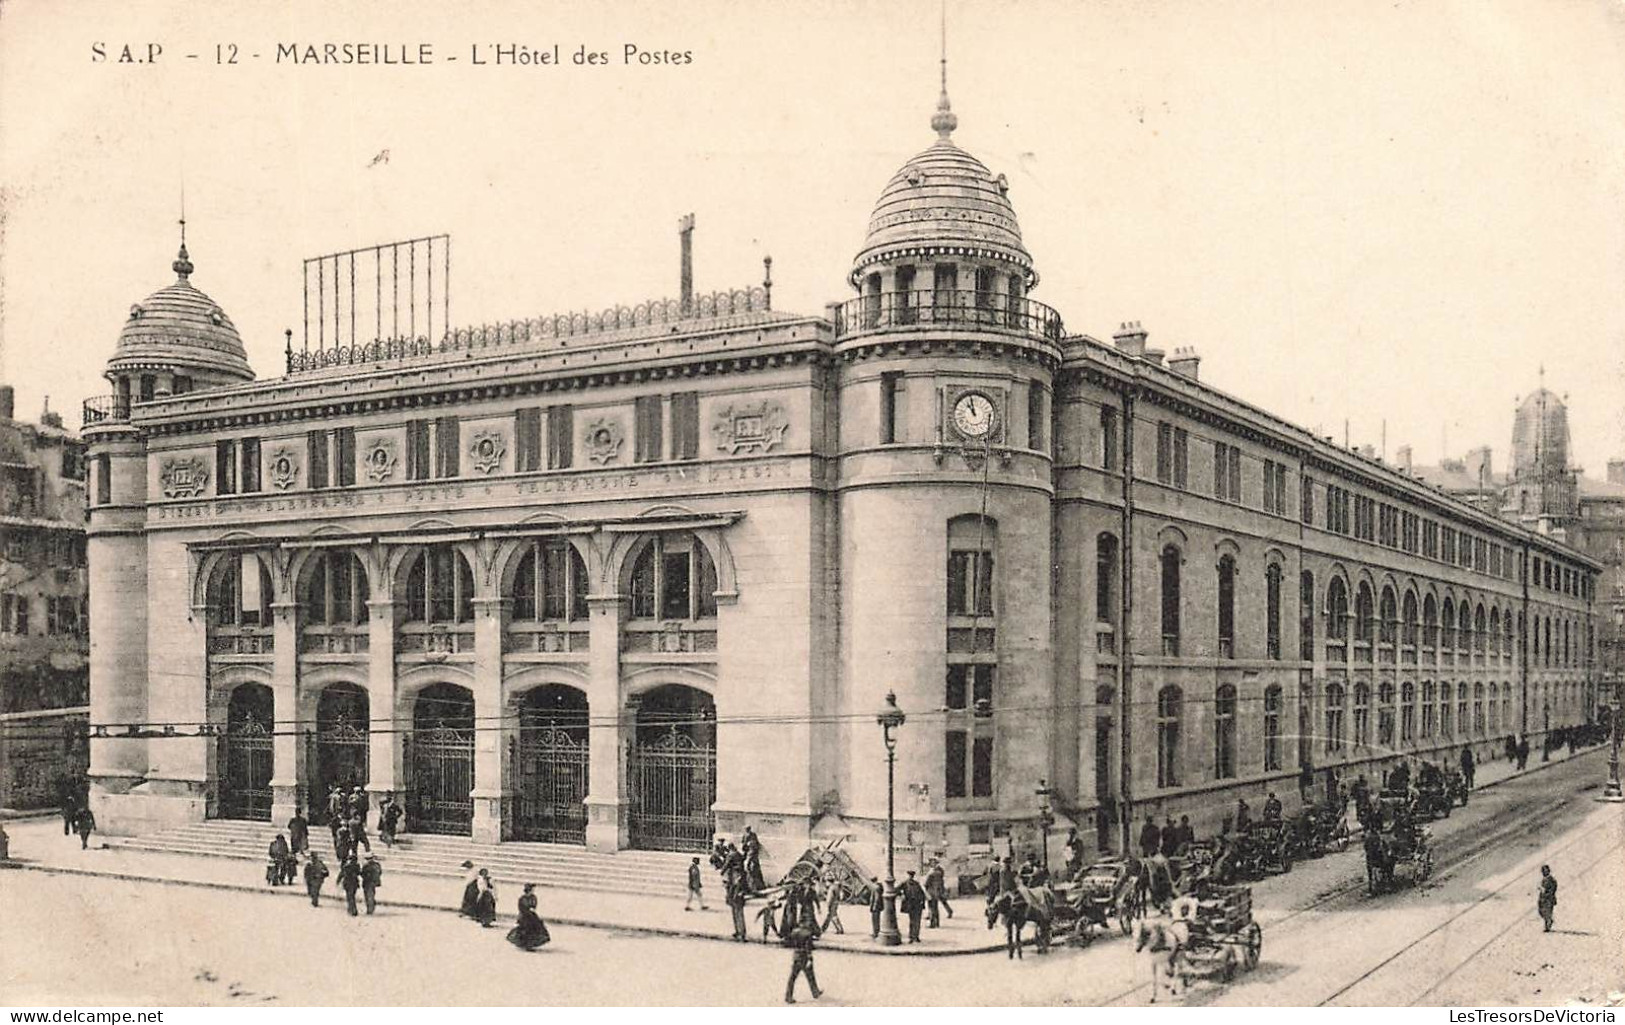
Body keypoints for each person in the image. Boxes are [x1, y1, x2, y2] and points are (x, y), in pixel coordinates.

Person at [783, 917, 823, 1003]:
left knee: (793, 977)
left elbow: (788, 942)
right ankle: (815, 992)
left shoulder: (794, 932)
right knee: (810, 975)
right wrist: (810, 958)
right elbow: (808, 947)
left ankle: (788, 996)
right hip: (804, 956)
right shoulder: (807, 934)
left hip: (796, 956)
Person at [508, 883, 552, 950]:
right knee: (525, 929)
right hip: (524, 916)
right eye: (531, 890)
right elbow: (521, 908)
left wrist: (532, 910)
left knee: (535, 929)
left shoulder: (533, 897)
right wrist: (527, 911)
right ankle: (525, 944)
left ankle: (531, 944)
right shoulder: (522, 898)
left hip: (532, 915)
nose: (532, 891)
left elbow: (534, 906)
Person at [898, 869, 927, 943]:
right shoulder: (904, 883)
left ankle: (916, 936)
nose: (910, 877)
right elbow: (896, 890)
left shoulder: (917, 884)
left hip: (917, 904)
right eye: (909, 876)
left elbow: (922, 894)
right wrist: (902, 895)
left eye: (912, 876)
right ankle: (911, 937)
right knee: (912, 921)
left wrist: (922, 903)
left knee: (917, 921)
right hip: (910, 905)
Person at [924, 858, 953, 927]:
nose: (931, 864)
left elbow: (926, 883)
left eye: (932, 863)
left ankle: (933, 923)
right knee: (935, 907)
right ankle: (936, 923)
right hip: (938, 891)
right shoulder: (939, 872)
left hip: (932, 892)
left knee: (932, 907)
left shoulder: (932, 873)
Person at [741, 825, 765, 893]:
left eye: (747, 829)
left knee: (753, 872)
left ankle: (754, 888)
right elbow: (743, 845)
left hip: (751, 860)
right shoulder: (745, 836)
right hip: (750, 856)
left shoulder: (752, 836)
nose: (747, 830)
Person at [726, 870, 749, 942]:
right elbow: (730, 891)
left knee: (739, 916)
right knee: (735, 916)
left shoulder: (742, 883)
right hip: (734, 900)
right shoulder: (733, 883)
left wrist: (741, 893)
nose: (735, 876)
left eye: (736, 875)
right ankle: (737, 931)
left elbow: (745, 890)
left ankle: (742, 933)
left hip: (739, 901)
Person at [1537, 865, 1558, 933]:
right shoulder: (1544, 879)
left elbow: (1553, 888)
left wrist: (1547, 892)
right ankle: (1548, 922)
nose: (1543, 872)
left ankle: (1547, 926)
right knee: (1541, 911)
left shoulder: (1551, 879)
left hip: (1549, 898)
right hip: (1543, 898)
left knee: (1548, 912)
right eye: (1543, 871)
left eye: (1545, 871)